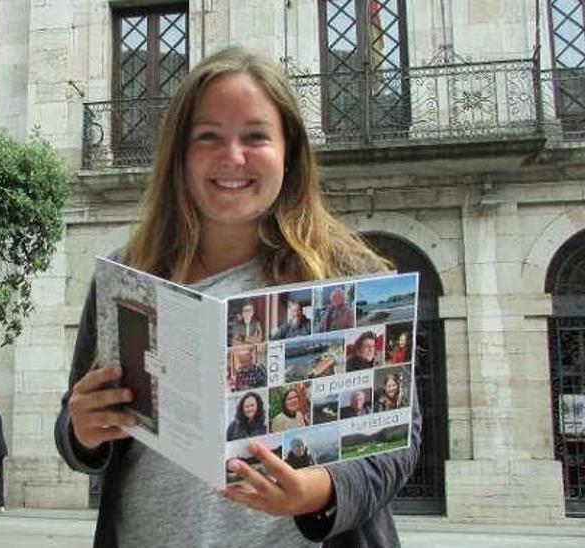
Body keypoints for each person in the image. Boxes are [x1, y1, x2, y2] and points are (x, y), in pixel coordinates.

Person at [55, 46, 423, 547]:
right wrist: (82, 431)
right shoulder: (127, 276)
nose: (232, 158)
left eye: (255, 137)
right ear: (179, 156)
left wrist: (322, 490)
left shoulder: (346, 275)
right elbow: (78, 422)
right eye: (208, 137)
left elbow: (397, 443)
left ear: (289, 152)